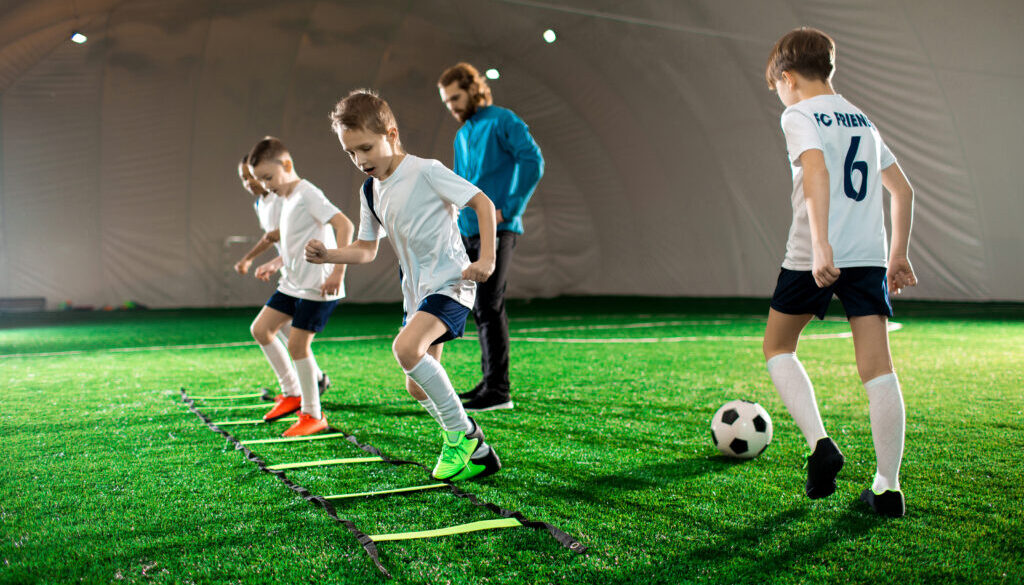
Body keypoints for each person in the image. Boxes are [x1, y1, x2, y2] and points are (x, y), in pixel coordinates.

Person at [305, 89, 501, 481]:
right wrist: (329, 255)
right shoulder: (369, 191)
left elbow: (481, 203)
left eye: (365, 148)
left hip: (451, 283)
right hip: (417, 295)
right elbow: (365, 250)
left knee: (406, 348)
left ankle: (466, 437)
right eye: (350, 153)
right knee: (417, 388)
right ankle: (474, 450)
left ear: (391, 134)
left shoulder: (426, 170)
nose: (360, 161)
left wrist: (487, 260)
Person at [762, 28, 917, 518]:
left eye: (777, 86)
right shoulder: (863, 120)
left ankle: (821, 445)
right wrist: (898, 255)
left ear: (787, 77)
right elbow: (903, 191)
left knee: (778, 346)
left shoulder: (797, 113)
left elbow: (816, 171)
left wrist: (823, 244)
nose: (780, 96)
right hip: (870, 257)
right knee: (878, 370)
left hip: (816, 254)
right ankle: (888, 488)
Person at [437, 63, 544, 412]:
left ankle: (499, 392)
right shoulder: (462, 134)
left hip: (498, 228)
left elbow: (533, 161)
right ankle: (488, 382)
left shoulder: (503, 120)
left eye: (456, 97)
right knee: (479, 307)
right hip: (466, 231)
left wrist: (508, 208)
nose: (451, 105)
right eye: (446, 100)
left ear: (473, 89)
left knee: (489, 305)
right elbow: (458, 183)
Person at [247, 137, 353, 437]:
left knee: (297, 345)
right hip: (292, 284)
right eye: (260, 180)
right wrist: (276, 262)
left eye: (268, 177)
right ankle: (292, 393)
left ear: (287, 165)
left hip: (317, 287)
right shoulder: (286, 198)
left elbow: (345, 225)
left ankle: (312, 414)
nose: (265, 185)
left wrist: (337, 272)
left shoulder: (307, 193)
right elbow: (296, 243)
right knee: (261, 329)